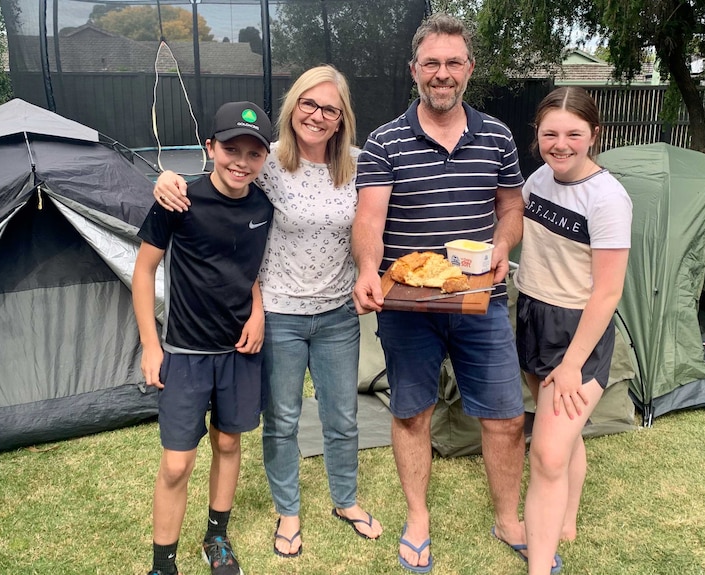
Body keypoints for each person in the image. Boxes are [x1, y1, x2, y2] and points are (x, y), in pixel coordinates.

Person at [152, 65, 383, 559]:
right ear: (293, 106)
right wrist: (165, 179)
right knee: (283, 418)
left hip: (339, 312)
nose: (318, 116)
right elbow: (217, 185)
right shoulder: (267, 160)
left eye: (330, 109)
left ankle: (345, 500)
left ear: (342, 119)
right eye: (309, 104)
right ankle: (289, 511)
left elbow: (377, 218)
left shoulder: (359, 165)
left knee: (342, 416)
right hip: (278, 313)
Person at [351, 13, 528, 574]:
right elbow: (370, 220)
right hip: (407, 306)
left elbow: (511, 207)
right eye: (432, 63)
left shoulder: (497, 135)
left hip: (480, 302)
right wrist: (366, 269)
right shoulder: (384, 141)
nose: (443, 73)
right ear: (415, 70)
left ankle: (508, 517)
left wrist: (503, 244)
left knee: (504, 417)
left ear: (469, 70)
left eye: (453, 63)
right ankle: (418, 517)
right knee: (411, 413)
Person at [133, 100, 274, 575]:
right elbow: (143, 272)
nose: (241, 161)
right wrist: (152, 347)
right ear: (209, 147)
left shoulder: (263, 206)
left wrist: (257, 313)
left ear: (265, 158)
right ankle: (162, 565)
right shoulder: (178, 200)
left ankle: (216, 537)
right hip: (185, 355)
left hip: (239, 352)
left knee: (230, 445)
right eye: (231, 148)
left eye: (253, 153)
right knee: (176, 465)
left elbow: (248, 269)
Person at [514, 86, 632, 575]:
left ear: (594, 136)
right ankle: (568, 516)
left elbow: (606, 294)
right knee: (563, 436)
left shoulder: (607, 198)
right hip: (531, 315)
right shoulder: (539, 179)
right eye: (550, 134)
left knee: (544, 454)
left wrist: (570, 364)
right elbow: (521, 234)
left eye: (573, 135)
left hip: (576, 330)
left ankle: (539, 566)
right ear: (537, 136)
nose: (560, 144)